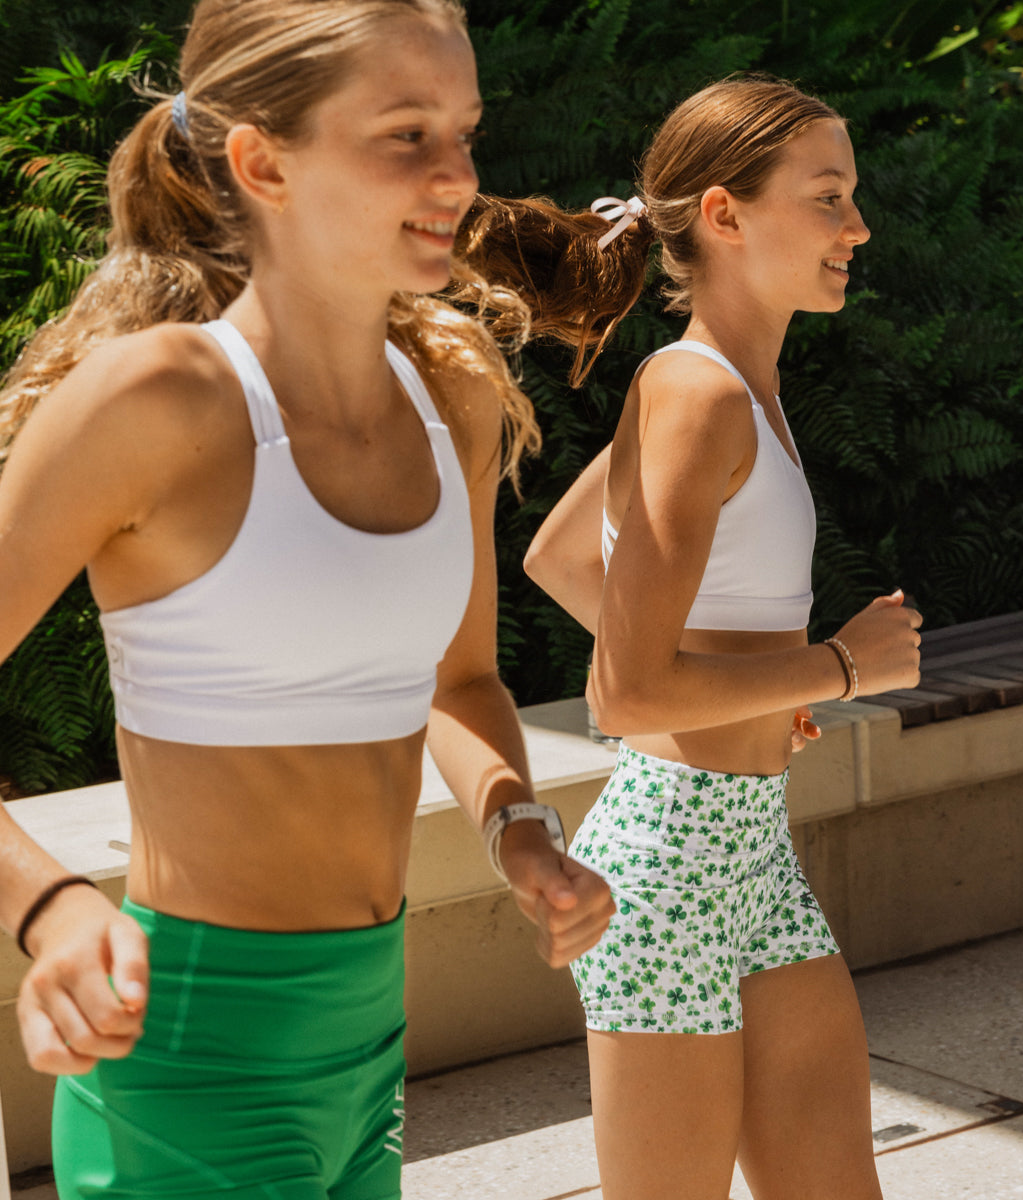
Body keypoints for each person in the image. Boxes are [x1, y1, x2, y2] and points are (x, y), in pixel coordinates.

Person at [0, 1, 614, 1195]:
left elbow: (460, 680)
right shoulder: (157, 401)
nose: (459, 178)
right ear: (261, 162)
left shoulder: (452, 392)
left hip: (370, 1055)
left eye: (465, 131)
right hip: (183, 1066)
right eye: (405, 136)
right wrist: (49, 906)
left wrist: (518, 828)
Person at [458, 77, 923, 1199]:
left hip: (748, 848)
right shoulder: (696, 391)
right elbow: (625, 694)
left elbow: (563, 558)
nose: (856, 227)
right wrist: (843, 665)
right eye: (827, 197)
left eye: (851, 198)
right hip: (666, 872)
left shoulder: (732, 389)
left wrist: (752, 692)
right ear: (725, 214)